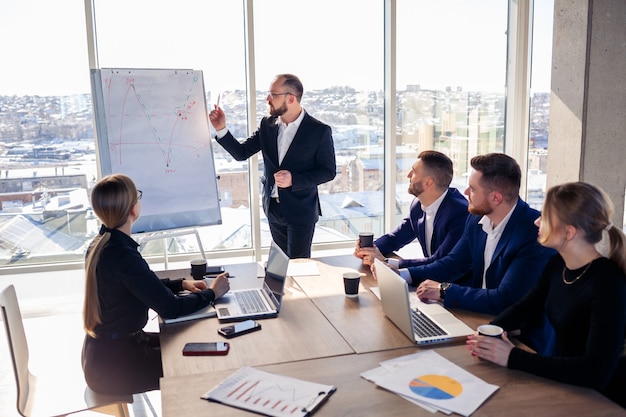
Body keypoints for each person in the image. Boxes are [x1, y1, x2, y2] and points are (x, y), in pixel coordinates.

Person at [466, 182, 626, 408]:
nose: (536, 221)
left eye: (545, 217)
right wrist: (489, 332)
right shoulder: (557, 263)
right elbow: (525, 308)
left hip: (603, 401)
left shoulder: (608, 284)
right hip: (567, 385)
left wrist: (512, 357)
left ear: (569, 232)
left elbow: (595, 372)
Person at [373, 153, 555, 350]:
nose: (466, 191)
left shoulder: (532, 233)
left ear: (495, 197)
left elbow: (505, 299)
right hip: (476, 317)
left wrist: (444, 291)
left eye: (473, 189)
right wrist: (402, 275)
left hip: (519, 339)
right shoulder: (476, 219)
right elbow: (453, 263)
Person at [82, 174, 230, 395]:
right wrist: (212, 293)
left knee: (192, 344)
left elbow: (138, 285)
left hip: (106, 354)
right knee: (196, 367)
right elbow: (171, 309)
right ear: (133, 209)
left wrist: (181, 284)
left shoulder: (103, 244)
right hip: (115, 368)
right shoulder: (122, 255)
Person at [209, 74, 336, 259]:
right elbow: (241, 153)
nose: (267, 99)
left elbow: (328, 171)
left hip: (301, 211)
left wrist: (294, 179)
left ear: (290, 98)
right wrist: (221, 128)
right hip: (273, 210)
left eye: (273, 95)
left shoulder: (319, 131)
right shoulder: (267, 125)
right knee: (280, 265)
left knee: (298, 267)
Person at [354, 150, 468, 268]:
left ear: (428, 183)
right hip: (429, 278)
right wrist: (370, 249)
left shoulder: (460, 213)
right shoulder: (418, 204)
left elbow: (441, 261)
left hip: (454, 283)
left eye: (413, 172)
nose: (408, 175)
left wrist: (386, 262)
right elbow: (396, 238)